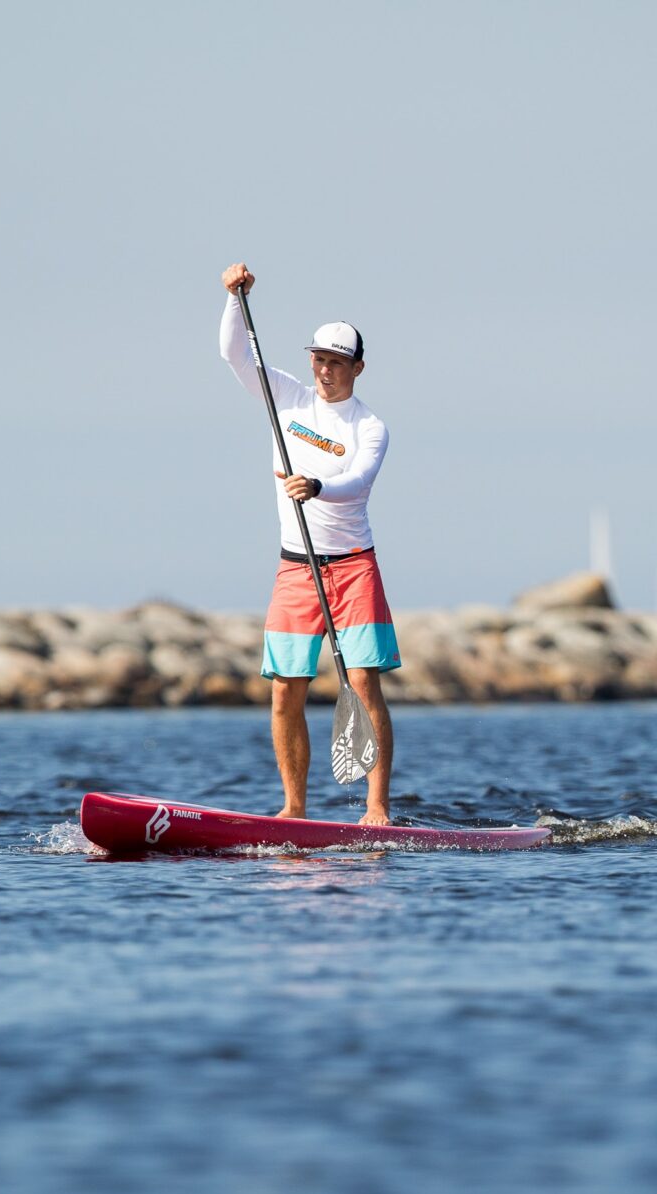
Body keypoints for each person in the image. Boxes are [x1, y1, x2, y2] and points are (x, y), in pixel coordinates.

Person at [219, 262, 398, 824]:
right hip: (296, 570)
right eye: (318, 359)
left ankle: (377, 807)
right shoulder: (289, 399)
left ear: (357, 368)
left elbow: (357, 484)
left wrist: (317, 485)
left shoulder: (369, 427)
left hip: (352, 568)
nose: (325, 370)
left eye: (337, 363)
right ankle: (294, 808)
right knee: (283, 692)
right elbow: (234, 354)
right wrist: (232, 298)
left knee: (363, 682)